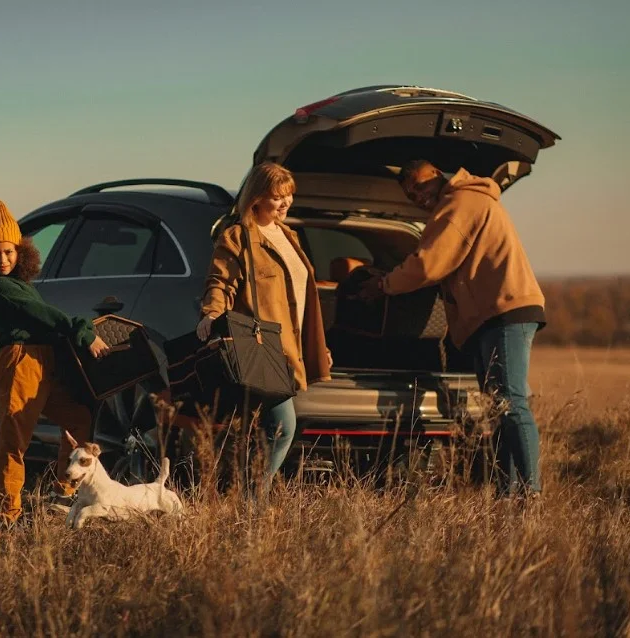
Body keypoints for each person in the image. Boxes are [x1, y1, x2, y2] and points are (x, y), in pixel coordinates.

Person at [360, 159, 546, 497]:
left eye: (420, 185)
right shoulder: (464, 201)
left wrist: (384, 285)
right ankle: (509, 490)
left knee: (511, 402)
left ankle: (529, 493)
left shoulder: (459, 203)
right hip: (496, 313)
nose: (417, 195)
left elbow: (429, 264)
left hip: (504, 310)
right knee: (502, 404)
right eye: (410, 192)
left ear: (438, 176)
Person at [0, 200, 110, 523]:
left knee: (78, 418)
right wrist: (81, 332)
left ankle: (64, 493)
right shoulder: (1, 287)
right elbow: (43, 316)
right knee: (15, 437)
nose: (2, 260)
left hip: (42, 361)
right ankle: (7, 512)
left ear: (20, 252)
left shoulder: (19, 284)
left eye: (8, 252)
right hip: (20, 360)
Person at [197, 162, 333, 481]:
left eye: (289, 196)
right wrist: (212, 313)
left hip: (289, 347)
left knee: (270, 429)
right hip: (262, 347)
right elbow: (220, 281)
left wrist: (316, 347)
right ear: (256, 198)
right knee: (283, 426)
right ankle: (252, 502)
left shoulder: (289, 236)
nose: (285, 203)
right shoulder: (238, 237)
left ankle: (246, 498)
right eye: (276, 197)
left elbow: (301, 299)